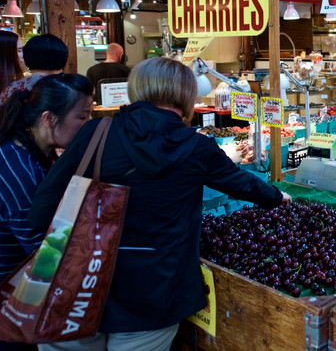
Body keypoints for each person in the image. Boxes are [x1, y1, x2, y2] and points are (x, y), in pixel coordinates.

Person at [30, 57, 291, 351]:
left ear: (137, 89)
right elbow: (243, 184)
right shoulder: (197, 147)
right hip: (154, 292)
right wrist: (278, 197)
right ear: (187, 95)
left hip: (78, 288)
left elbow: (43, 208)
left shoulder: (96, 133)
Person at [0, 74, 94, 282]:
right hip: (12, 292)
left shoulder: (30, 150)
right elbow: (44, 252)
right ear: (48, 118)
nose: (88, 124)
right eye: (82, 116)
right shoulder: (20, 172)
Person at [0, 34, 68, 104]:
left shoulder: (10, 89)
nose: (21, 55)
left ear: (27, 58)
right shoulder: (69, 89)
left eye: (21, 51)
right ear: (63, 58)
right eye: (19, 51)